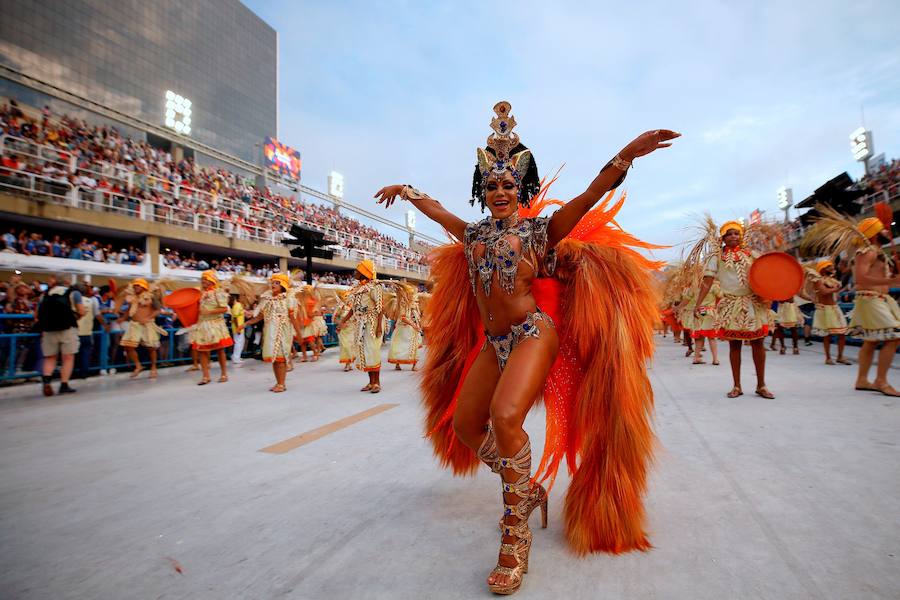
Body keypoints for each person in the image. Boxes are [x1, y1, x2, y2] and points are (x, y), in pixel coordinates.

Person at [375, 101, 676, 593]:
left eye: (508, 185)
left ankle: (515, 539)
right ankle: (528, 489)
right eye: (490, 185)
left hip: (534, 335)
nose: (498, 192)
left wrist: (627, 155)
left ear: (521, 189)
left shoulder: (541, 231)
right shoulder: (472, 235)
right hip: (496, 343)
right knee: (469, 425)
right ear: (482, 190)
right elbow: (438, 212)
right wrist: (407, 192)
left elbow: (590, 195)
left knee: (506, 416)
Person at [802, 209, 900, 395]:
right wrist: (891, 281)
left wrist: (892, 276)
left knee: (871, 341)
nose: (888, 231)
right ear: (874, 234)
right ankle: (881, 381)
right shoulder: (867, 252)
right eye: (883, 229)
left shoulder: (876, 252)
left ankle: (862, 380)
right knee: (894, 337)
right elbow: (861, 280)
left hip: (878, 300)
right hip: (871, 300)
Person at [694, 221, 775, 399]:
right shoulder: (717, 258)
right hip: (731, 305)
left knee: (758, 344)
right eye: (729, 234)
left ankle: (761, 385)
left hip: (754, 304)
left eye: (736, 234)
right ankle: (736, 386)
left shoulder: (752, 254)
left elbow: (764, 274)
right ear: (722, 238)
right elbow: (707, 281)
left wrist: (769, 295)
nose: (733, 237)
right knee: (735, 345)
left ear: (741, 236)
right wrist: (698, 303)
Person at [241, 273, 302, 392]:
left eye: (277, 283)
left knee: (280, 359)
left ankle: (282, 384)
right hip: (270, 332)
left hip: (282, 331)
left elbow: (293, 318)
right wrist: (246, 323)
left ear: (283, 285)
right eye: (272, 282)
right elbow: (260, 317)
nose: (273, 284)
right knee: (274, 360)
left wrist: (299, 334)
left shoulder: (288, 300)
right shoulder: (267, 300)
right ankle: (278, 382)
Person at [36, 276, 85, 396]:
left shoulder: (45, 295)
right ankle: (64, 385)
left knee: (50, 357)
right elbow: (82, 311)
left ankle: (47, 380)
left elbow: (36, 315)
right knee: (67, 358)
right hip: (67, 329)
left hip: (48, 330)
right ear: (68, 283)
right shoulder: (74, 293)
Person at [341, 260, 386, 393]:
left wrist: (378, 326)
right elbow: (353, 309)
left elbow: (380, 308)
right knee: (365, 353)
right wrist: (343, 320)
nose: (355, 272)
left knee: (373, 351)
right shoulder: (357, 289)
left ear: (364, 273)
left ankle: (376, 383)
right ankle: (370, 382)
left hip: (372, 324)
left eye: (358, 270)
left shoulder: (374, 287)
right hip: (360, 324)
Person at [118, 278, 166, 378]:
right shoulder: (132, 297)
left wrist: (148, 318)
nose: (136, 287)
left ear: (143, 287)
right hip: (134, 325)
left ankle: (153, 368)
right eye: (135, 285)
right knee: (128, 346)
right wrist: (123, 318)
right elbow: (129, 310)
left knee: (151, 348)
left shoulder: (151, 297)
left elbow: (158, 310)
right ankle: (138, 366)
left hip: (147, 325)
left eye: (138, 285)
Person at [192, 271, 232, 385]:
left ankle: (224, 374)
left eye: (205, 279)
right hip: (203, 325)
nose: (203, 281)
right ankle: (206, 376)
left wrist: (209, 312)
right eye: (202, 279)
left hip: (215, 324)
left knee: (220, 350)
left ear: (211, 281)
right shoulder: (200, 293)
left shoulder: (218, 293)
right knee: (202, 350)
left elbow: (225, 309)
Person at [811, 260, 851, 365]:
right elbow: (824, 292)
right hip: (824, 310)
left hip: (834, 308)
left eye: (832, 266)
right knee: (827, 334)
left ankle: (840, 356)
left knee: (842, 333)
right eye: (829, 266)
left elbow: (834, 292)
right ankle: (828, 358)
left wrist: (835, 289)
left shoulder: (833, 280)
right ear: (823, 269)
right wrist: (835, 289)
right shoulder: (817, 280)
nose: (832, 267)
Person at [388, 284, 423, 370]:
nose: (412, 295)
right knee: (399, 346)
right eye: (410, 294)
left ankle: (414, 365)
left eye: (413, 294)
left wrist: (417, 324)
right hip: (403, 329)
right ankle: (397, 363)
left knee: (414, 346)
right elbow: (403, 318)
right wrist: (413, 325)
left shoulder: (415, 304)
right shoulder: (402, 304)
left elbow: (418, 316)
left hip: (413, 329)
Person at [74, 283, 103, 379]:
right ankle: (84, 373)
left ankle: (73, 372)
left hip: (76, 331)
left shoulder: (74, 301)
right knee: (86, 353)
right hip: (87, 332)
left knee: (74, 354)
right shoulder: (91, 301)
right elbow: (97, 314)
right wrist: (105, 324)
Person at [691, 280, 721, 365]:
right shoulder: (713, 286)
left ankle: (696, 358)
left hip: (698, 311)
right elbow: (721, 295)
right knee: (711, 336)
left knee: (699, 336)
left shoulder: (694, 287)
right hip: (709, 311)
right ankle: (715, 359)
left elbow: (687, 298)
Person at [334, 290, 356, 371]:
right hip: (344, 330)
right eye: (346, 297)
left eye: (349, 297)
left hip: (353, 329)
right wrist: (341, 324)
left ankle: (349, 363)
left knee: (351, 346)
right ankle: (347, 364)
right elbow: (335, 318)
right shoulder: (341, 307)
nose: (348, 299)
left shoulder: (354, 307)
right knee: (345, 346)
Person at [230, 294, 245, 365]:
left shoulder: (236, 306)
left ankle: (236, 356)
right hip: (238, 327)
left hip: (239, 327)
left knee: (240, 342)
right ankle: (236, 358)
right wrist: (238, 328)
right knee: (238, 343)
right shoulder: (237, 305)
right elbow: (235, 318)